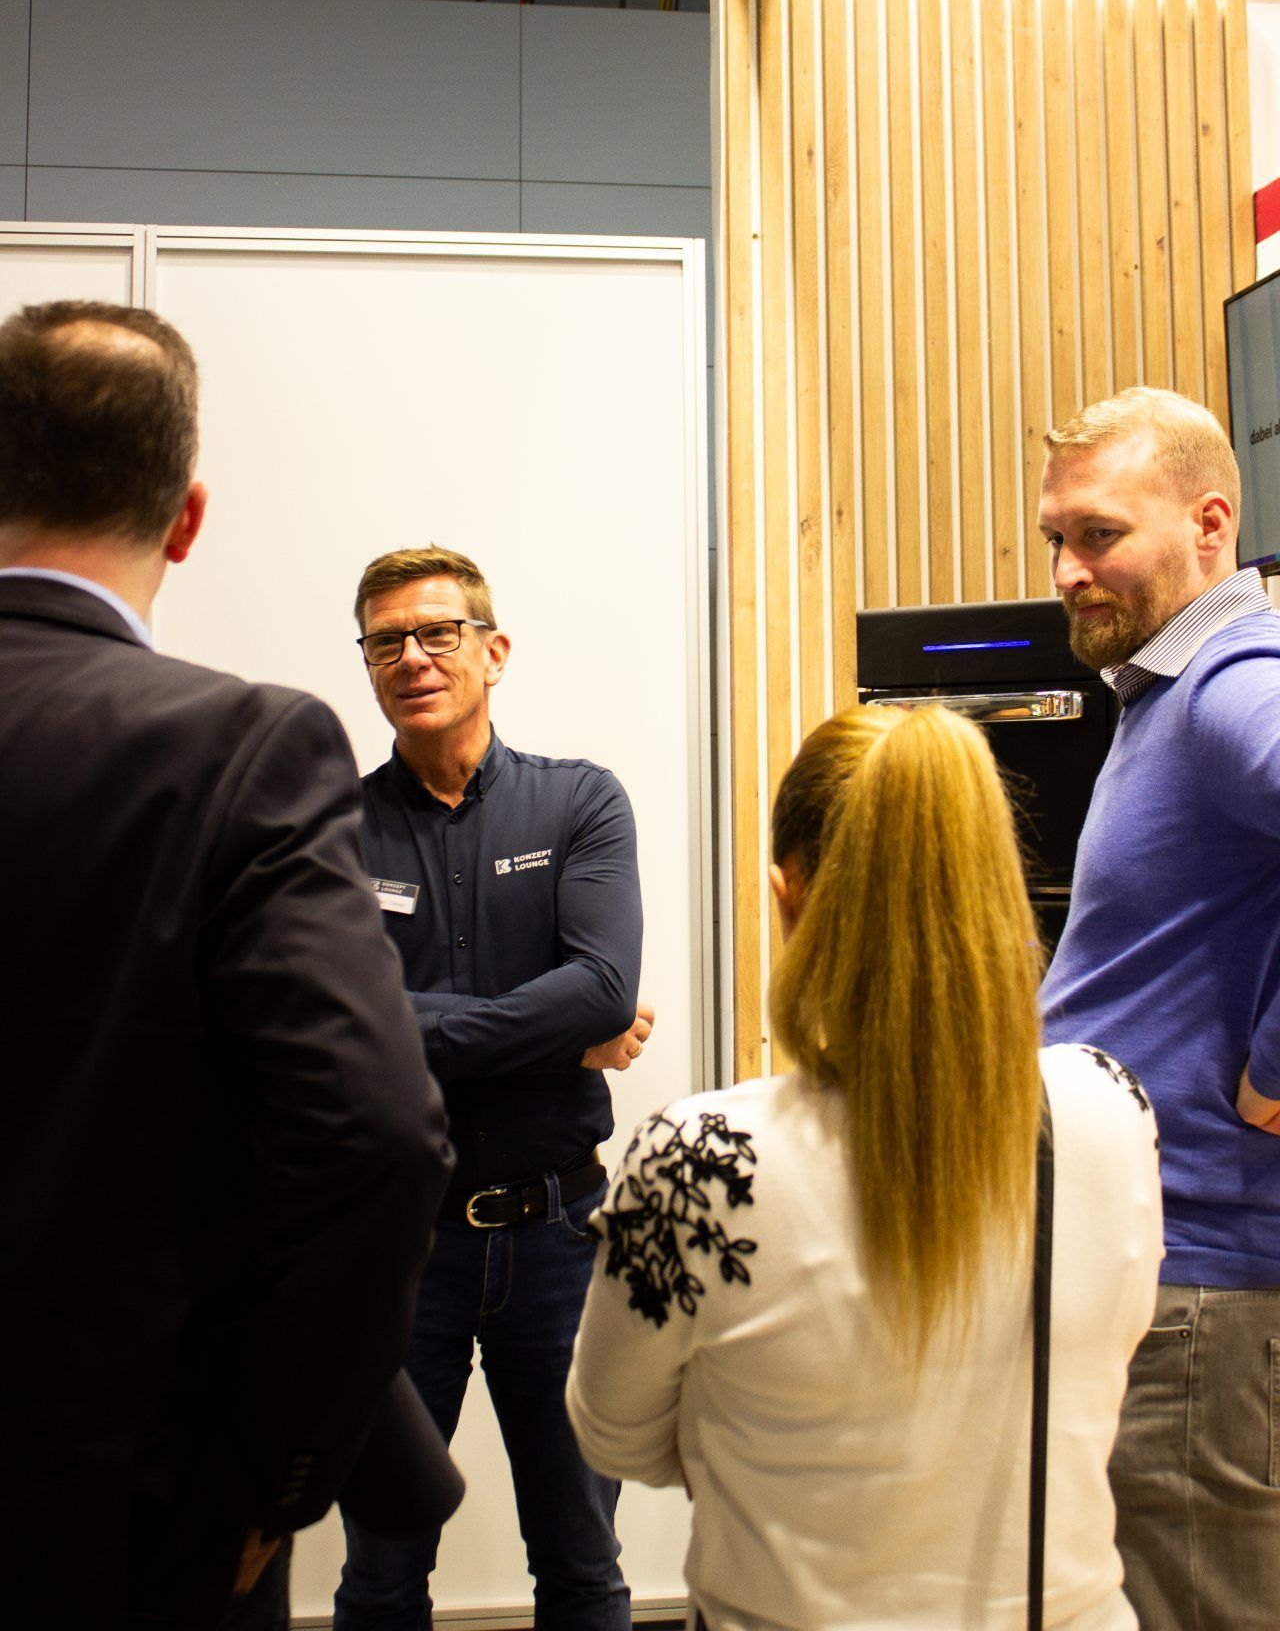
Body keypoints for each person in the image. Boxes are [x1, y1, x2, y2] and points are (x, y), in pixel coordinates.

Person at [0, 301, 456, 1631]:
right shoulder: (236, 749)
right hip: (130, 1507)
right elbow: (374, 1138)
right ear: (186, 518)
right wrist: (278, 1474)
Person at [567, 702, 1162, 1631]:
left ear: (787, 891)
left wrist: (765, 1431)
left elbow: (614, 1434)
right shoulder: (1110, 1108)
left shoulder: (697, 1163)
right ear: (999, 885)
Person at [335, 545, 649, 1631]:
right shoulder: (331, 824)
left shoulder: (578, 804)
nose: (412, 657)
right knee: (379, 1574)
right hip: (394, 1242)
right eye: (386, 641)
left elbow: (606, 987)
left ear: (492, 650)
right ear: (367, 664)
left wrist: (413, 1026)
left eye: (437, 633)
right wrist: (555, 1038)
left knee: (580, 1563)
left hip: (558, 1233)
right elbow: (337, 1018)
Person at [1037, 386, 1280, 1630]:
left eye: (1098, 536)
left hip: (1201, 1284)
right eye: (1056, 542)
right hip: (1157, 1268)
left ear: (1207, 522)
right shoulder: (1164, 696)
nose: (1069, 571)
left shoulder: (1234, 674)